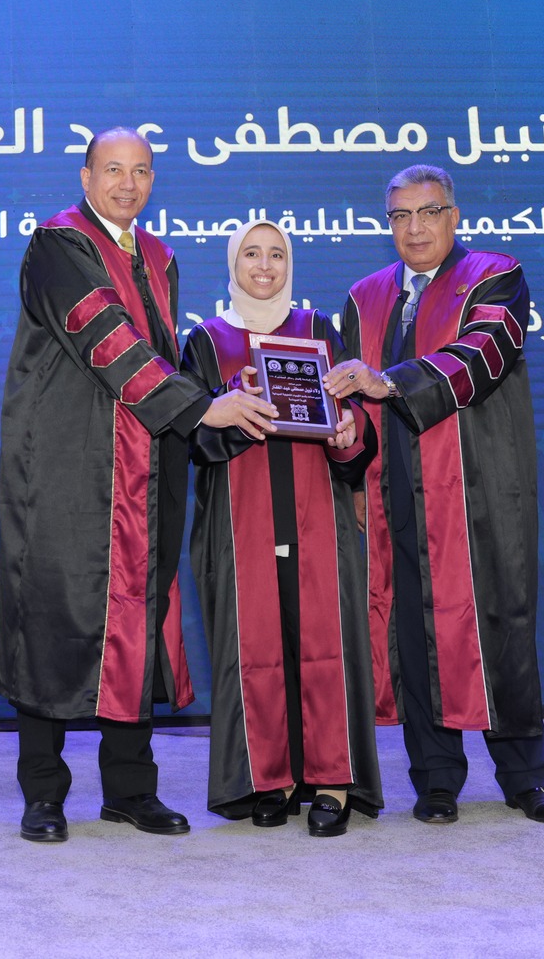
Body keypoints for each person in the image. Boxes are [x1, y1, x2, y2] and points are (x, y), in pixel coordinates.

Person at [0, 127, 279, 843]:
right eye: (113, 170)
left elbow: (162, 354)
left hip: (145, 470)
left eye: (141, 171)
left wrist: (221, 400)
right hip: (66, 465)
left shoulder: (158, 256)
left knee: (138, 621)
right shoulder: (58, 243)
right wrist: (199, 406)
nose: (128, 184)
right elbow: (105, 337)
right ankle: (43, 793)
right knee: (53, 619)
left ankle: (129, 789)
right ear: (86, 177)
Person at [329, 163, 544, 827]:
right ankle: (435, 779)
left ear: (453, 217)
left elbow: (485, 354)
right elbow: (352, 406)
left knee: (501, 629)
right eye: (401, 215)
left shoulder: (495, 276)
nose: (415, 228)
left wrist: (391, 381)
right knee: (413, 633)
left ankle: (526, 777)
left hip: (479, 489)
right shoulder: (364, 298)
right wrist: (353, 471)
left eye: (429, 212)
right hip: (397, 492)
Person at [181, 220, 383, 837]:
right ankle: (271, 777)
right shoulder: (205, 341)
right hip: (238, 518)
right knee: (255, 644)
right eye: (251, 253)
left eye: (275, 254)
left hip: (319, 512)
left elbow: (354, 422)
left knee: (325, 641)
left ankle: (331, 779)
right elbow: (191, 435)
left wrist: (349, 432)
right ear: (232, 264)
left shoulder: (318, 330)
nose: (264, 265)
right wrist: (223, 405)